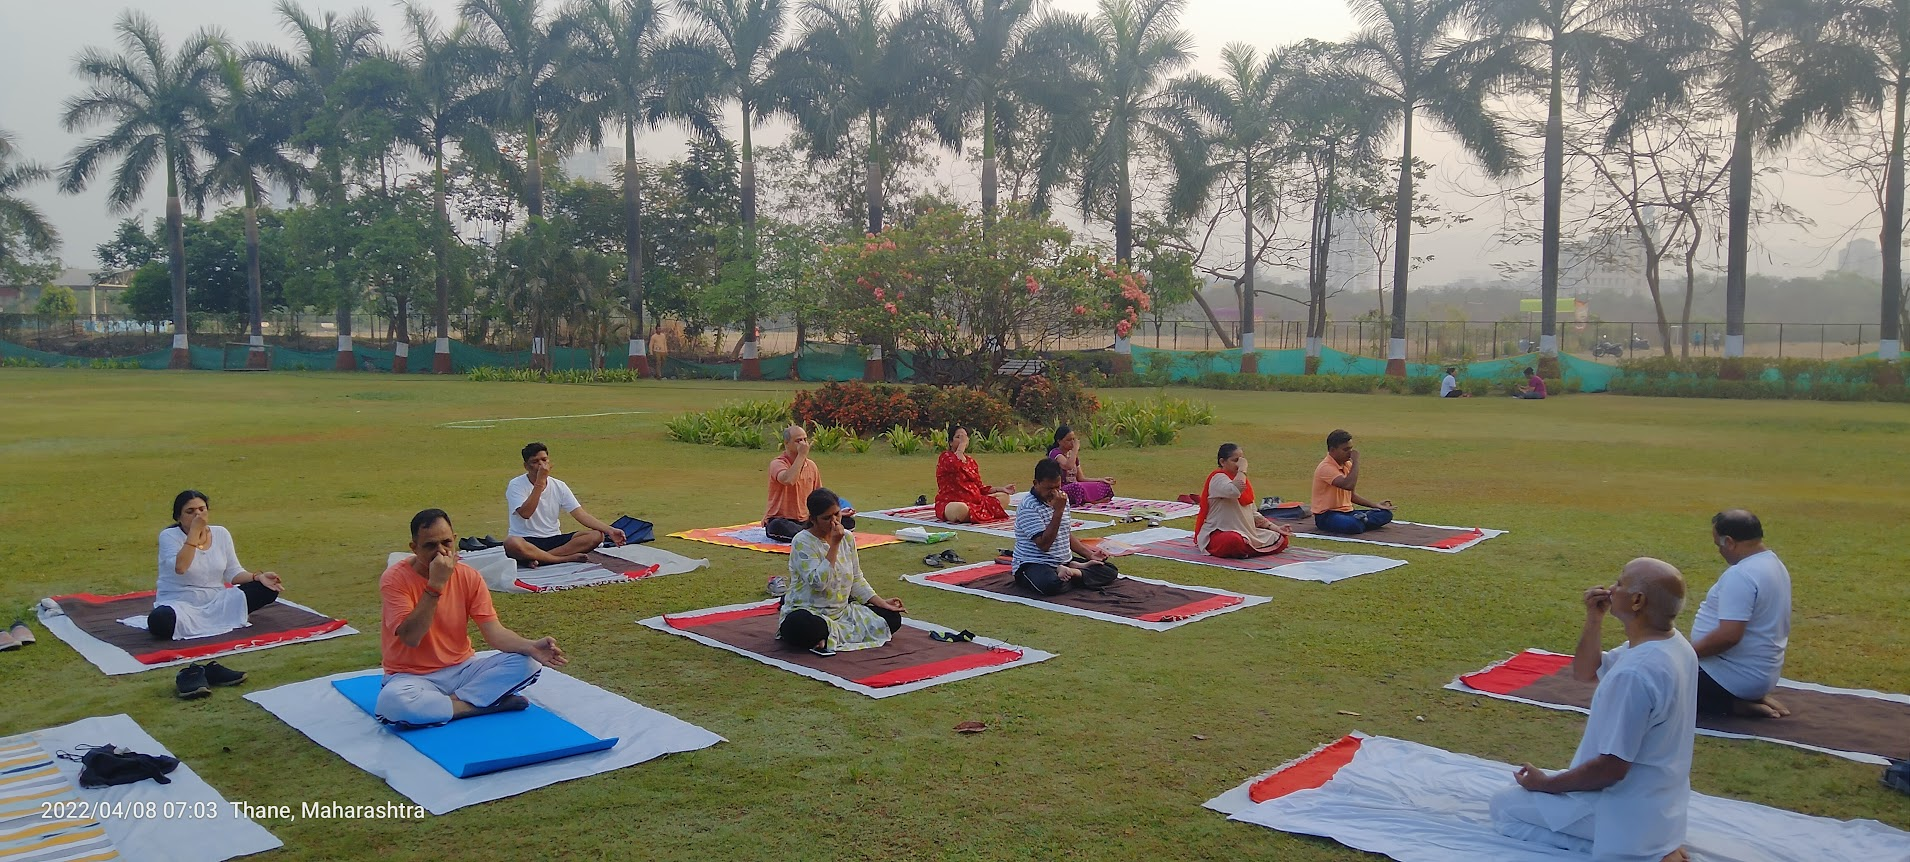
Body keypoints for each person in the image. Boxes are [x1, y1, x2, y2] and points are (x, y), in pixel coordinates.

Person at [1489, 558, 1698, 862]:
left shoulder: (1635, 673)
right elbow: (1586, 671)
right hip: (1661, 810)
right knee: (1531, 795)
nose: (1611, 588)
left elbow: (1610, 769)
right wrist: (1594, 619)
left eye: (1620, 583)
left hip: (1623, 811)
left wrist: (1545, 785)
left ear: (1637, 601)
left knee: (1504, 806)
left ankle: (1649, 855)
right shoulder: (1675, 645)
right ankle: (1656, 845)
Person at [376, 508, 569, 727]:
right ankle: (482, 705)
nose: (441, 552)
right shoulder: (395, 579)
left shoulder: (469, 576)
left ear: (454, 539)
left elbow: (494, 632)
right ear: (414, 548)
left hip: (463, 670)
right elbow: (411, 638)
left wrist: (531, 646)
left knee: (528, 663)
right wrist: (436, 585)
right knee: (393, 702)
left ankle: (448, 705)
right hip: (411, 676)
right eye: (430, 546)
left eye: (446, 543)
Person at [777, 489, 908, 657]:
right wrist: (834, 545)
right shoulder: (802, 541)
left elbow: (856, 579)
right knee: (799, 624)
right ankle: (822, 635)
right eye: (826, 518)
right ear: (813, 520)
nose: (834, 522)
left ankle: (825, 638)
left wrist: (881, 603)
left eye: (837, 515)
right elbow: (818, 583)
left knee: (892, 618)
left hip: (842, 613)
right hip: (810, 611)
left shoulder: (847, 537)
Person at [1689, 509, 1793, 719]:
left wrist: (1686, 655)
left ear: (1729, 542)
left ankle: (1735, 705)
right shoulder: (1774, 564)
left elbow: (1729, 636)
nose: (1720, 552)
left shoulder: (1742, 575)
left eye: (1718, 545)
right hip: (1758, 675)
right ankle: (1751, 697)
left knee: (1656, 679)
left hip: (1731, 677)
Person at [150, 490, 284, 642]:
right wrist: (194, 531)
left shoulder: (221, 533)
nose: (197, 515)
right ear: (178, 517)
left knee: (267, 588)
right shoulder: (169, 536)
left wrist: (258, 577)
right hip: (181, 604)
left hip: (217, 602)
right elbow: (181, 567)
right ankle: (213, 619)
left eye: (202, 509)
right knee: (160, 621)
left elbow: (233, 572)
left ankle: (225, 615)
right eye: (190, 511)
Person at [502, 443, 625, 567]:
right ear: (526, 466)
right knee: (511, 543)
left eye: (544, 460)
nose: (541, 465)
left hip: (553, 538)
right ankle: (561, 559)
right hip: (526, 540)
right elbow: (525, 513)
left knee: (596, 536)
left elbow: (580, 514)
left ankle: (540, 559)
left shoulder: (559, 485)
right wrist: (540, 482)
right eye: (535, 462)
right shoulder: (516, 485)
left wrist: (610, 530)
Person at [1012, 458, 1112, 595]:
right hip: (1034, 563)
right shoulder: (1028, 506)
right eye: (1049, 488)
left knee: (1109, 570)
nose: (1054, 493)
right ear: (1036, 483)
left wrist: (1090, 554)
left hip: (1064, 561)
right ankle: (1072, 571)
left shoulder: (1061, 498)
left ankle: (1072, 571)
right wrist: (1058, 511)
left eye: (1057, 487)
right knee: (1050, 585)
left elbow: (1064, 534)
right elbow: (1044, 545)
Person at [1196, 444, 1292, 558]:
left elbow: (1253, 513)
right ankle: (1246, 549)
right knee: (1233, 540)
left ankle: (1246, 549)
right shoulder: (1217, 478)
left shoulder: (1242, 480)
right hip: (1221, 531)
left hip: (1247, 533)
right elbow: (1235, 491)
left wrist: (1276, 528)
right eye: (1235, 460)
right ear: (1222, 462)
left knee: (1280, 538)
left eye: (1242, 460)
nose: (1240, 464)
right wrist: (1242, 470)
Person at [766, 426, 855, 542]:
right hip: (782, 519)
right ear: (786, 443)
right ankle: (812, 533)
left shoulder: (811, 466)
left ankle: (811, 532)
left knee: (848, 522)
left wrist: (837, 513)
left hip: (807, 520)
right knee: (778, 526)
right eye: (798, 441)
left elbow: (820, 495)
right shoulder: (778, 463)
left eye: (805, 439)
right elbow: (789, 480)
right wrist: (801, 455)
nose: (803, 444)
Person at [1310, 430, 1394, 534]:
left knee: (1385, 514)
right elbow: (1348, 485)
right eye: (1345, 449)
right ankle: (1361, 520)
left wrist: (1375, 505)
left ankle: (1361, 520)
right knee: (1353, 525)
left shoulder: (1347, 465)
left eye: (1350, 448)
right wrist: (1356, 461)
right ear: (1332, 450)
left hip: (1348, 512)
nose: (1350, 453)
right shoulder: (1326, 468)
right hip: (1327, 515)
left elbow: (1351, 496)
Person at [935, 426, 1015, 523]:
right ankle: (975, 514)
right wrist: (961, 446)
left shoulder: (970, 461)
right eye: (958, 437)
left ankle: (973, 515)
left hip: (976, 503)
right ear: (951, 442)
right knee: (960, 509)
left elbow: (980, 487)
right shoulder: (945, 457)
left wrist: (1001, 489)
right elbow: (955, 465)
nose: (963, 439)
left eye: (965, 437)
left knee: (1004, 497)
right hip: (953, 503)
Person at [1048, 425, 1115, 505]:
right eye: (1068, 440)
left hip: (1076, 485)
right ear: (1059, 441)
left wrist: (1101, 479)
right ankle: (1092, 501)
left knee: (1104, 485)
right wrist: (1075, 450)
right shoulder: (1055, 453)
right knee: (1077, 487)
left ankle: (1090, 500)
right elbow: (1068, 466)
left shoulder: (1072, 455)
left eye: (1073, 439)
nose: (1072, 443)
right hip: (1061, 489)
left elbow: (1081, 478)